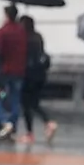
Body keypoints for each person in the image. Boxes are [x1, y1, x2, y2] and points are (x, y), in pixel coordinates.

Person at [20, 15, 57, 145]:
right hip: (40, 76)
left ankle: (30, 133)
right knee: (34, 103)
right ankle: (48, 123)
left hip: (27, 75)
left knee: (26, 105)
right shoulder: (38, 37)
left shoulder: (25, 39)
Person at [0, 5, 27, 141]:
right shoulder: (21, 31)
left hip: (5, 72)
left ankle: (5, 122)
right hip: (19, 71)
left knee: (0, 96)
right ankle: (12, 125)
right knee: (15, 100)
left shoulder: (2, 32)